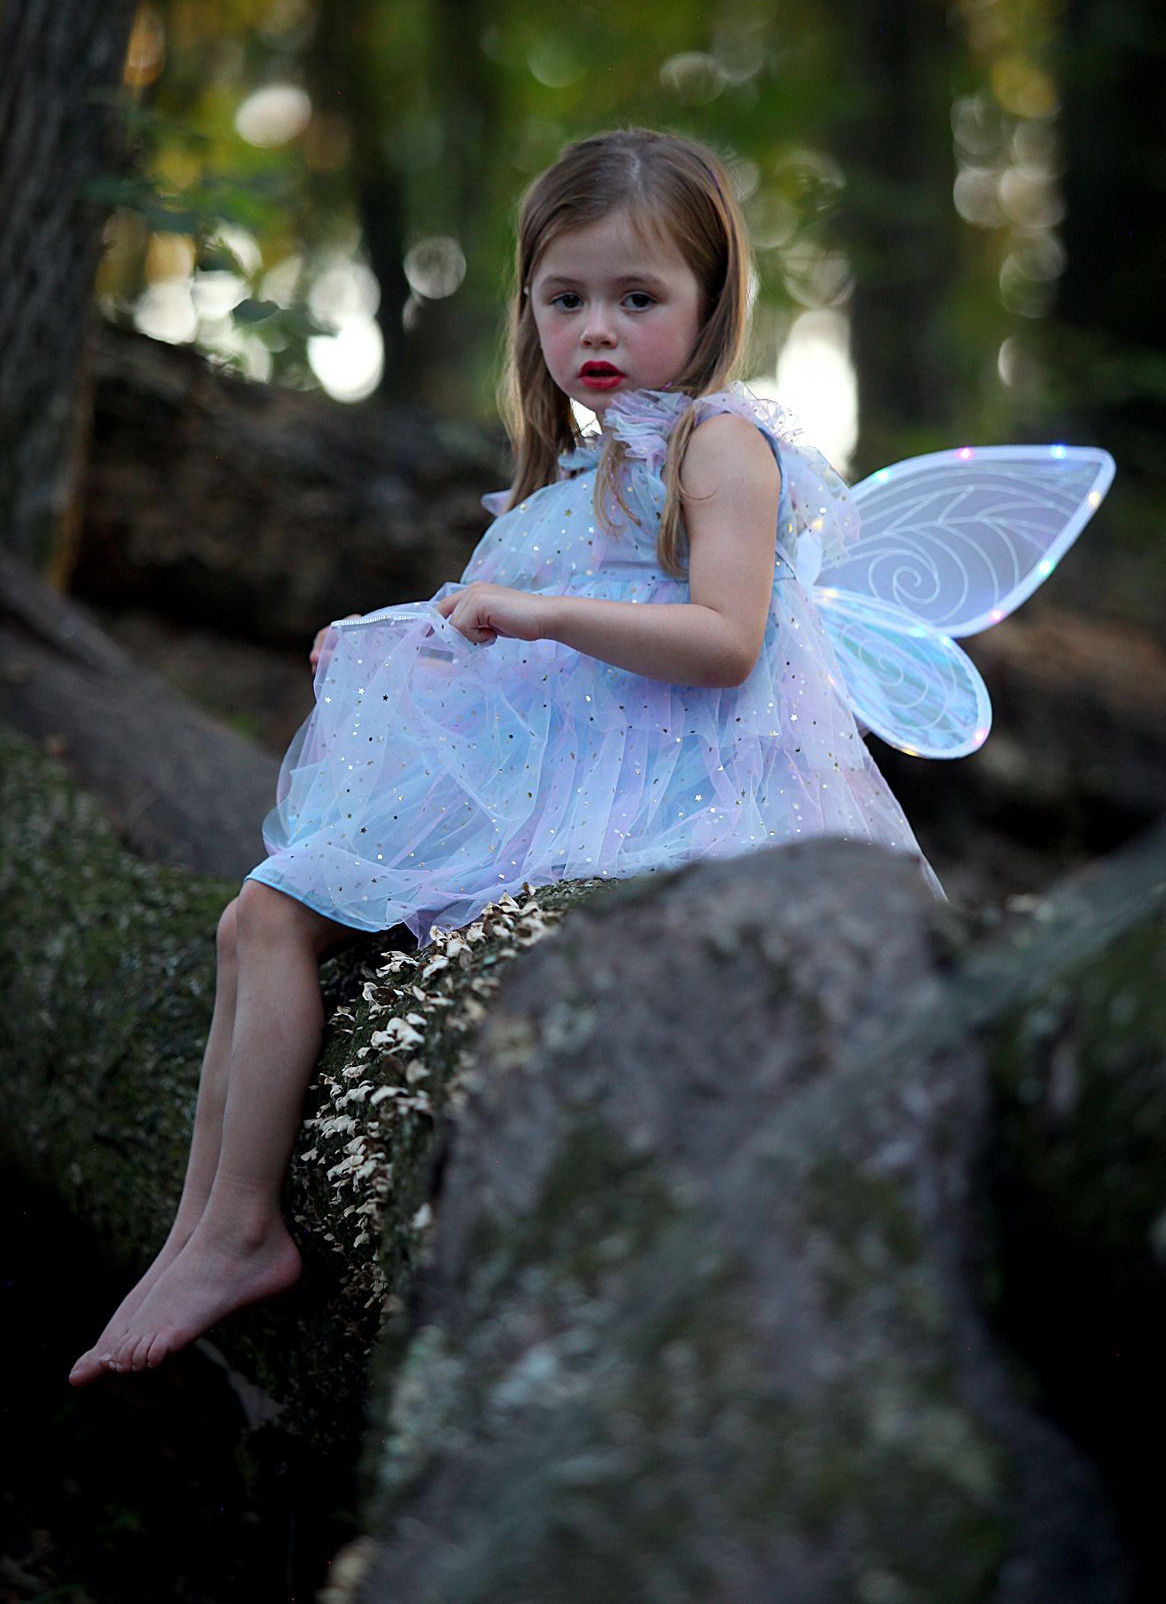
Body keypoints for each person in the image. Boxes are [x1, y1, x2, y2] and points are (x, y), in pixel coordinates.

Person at [68, 126, 1108, 1384]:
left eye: (637, 298)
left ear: (712, 305)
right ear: (528, 308)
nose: (597, 330)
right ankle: (196, 1229)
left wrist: (541, 615)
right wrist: (403, 638)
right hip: (556, 772)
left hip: (660, 793)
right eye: (566, 300)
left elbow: (725, 642)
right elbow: (504, 626)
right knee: (254, 919)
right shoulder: (575, 469)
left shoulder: (719, 447)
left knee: (276, 910)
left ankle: (236, 1230)